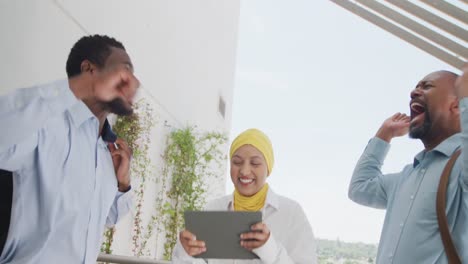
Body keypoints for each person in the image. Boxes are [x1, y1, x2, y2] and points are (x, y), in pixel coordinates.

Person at [0, 34, 140, 263]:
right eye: (122, 69)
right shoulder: (44, 125)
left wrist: (123, 184)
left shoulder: (109, 150)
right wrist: (82, 87)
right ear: (88, 69)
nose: (130, 80)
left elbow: (108, 217)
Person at [349, 69, 468, 263]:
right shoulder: (406, 177)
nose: (414, 92)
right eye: (416, 86)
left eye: (427, 86)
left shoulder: (461, 170)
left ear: (455, 105)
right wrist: (384, 135)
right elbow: (360, 188)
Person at [172, 128, 317, 264]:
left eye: (255, 163)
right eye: (237, 162)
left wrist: (269, 249)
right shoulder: (212, 209)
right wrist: (185, 252)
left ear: (268, 168)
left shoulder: (291, 213)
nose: (245, 171)